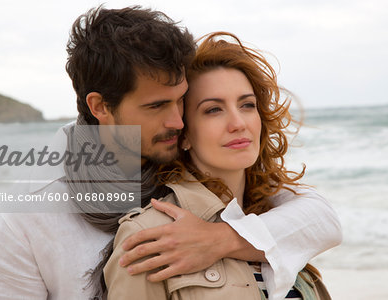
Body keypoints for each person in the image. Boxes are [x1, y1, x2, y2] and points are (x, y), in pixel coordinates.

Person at [0, 6, 341, 300]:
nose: (178, 120)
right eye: (156, 106)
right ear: (100, 106)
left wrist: (225, 239)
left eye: (181, 100)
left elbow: (320, 217)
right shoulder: (27, 215)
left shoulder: (191, 167)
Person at [104, 31, 334, 300]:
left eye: (247, 105)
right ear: (185, 133)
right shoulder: (152, 235)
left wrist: (223, 238)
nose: (238, 123)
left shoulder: (280, 218)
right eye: (213, 109)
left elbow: (326, 218)